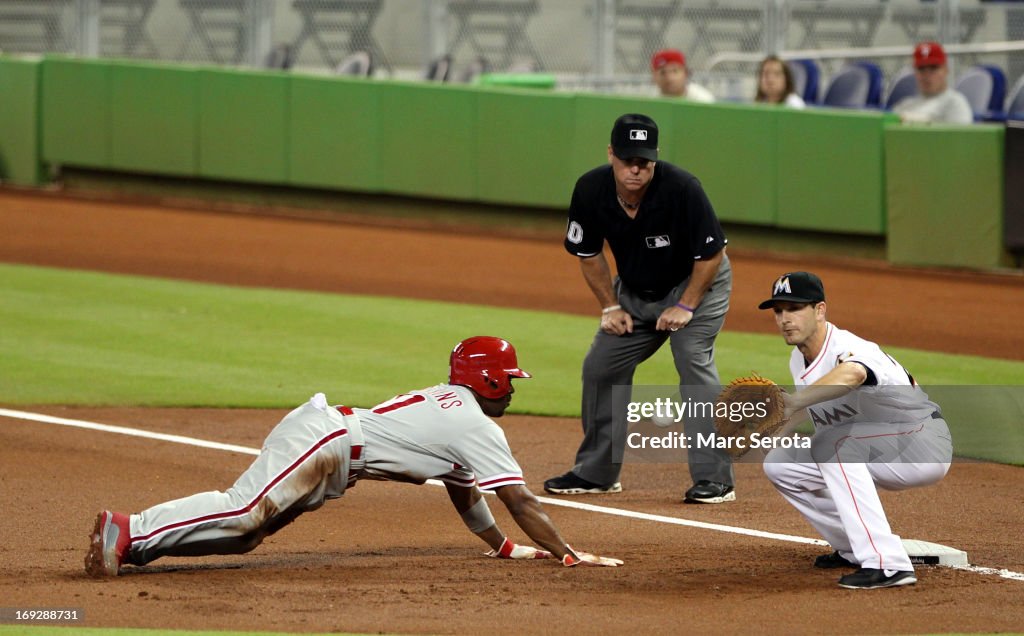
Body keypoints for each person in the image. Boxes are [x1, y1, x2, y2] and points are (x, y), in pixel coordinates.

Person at [84, 336, 623, 577]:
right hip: (330, 440)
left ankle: (134, 549)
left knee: (247, 534)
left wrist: (502, 546)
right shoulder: (472, 422)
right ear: (485, 378)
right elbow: (520, 499)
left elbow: (466, 491)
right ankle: (128, 527)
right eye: (508, 379)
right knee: (243, 510)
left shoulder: (456, 411)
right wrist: (566, 553)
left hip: (333, 444)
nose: (512, 389)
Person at [544, 113, 734, 503]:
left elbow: (712, 255)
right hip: (634, 290)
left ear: (655, 157)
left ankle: (716, 480)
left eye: (644, 161)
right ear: (611, 154)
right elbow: (588, 252)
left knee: (692, 362)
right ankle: (596, 473)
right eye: (628, 159)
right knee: (602, 365)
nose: (636, 168)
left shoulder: (682, 188)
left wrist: (685, 305)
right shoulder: (590, 189)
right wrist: (610, 307)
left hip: (696, 285)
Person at [757, 272, 953, 589]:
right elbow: (809, 406)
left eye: (794, 308)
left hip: (919, 444)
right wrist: (764, 433)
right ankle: (852, 548)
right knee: (780, 464)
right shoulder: (799, 358)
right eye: (778, 310)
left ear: (819, 310)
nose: (784, 319)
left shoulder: (846, 348)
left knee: (832, 444)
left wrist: (791, 402)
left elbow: (852, 374)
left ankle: (887, 564)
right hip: (877, 446)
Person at [893, 41, 973, 124]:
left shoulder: (955, 103)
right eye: (921, 69)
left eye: (933, 68)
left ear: (946, 70)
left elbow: (960, 135)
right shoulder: (905, 105)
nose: (927, 75)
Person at [651, 48, 715, 103]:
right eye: (663, 72)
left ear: (686, 73)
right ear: (654, 77)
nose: (670, 78)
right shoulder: (649, 99)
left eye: (675, 71)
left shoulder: (702, 100)